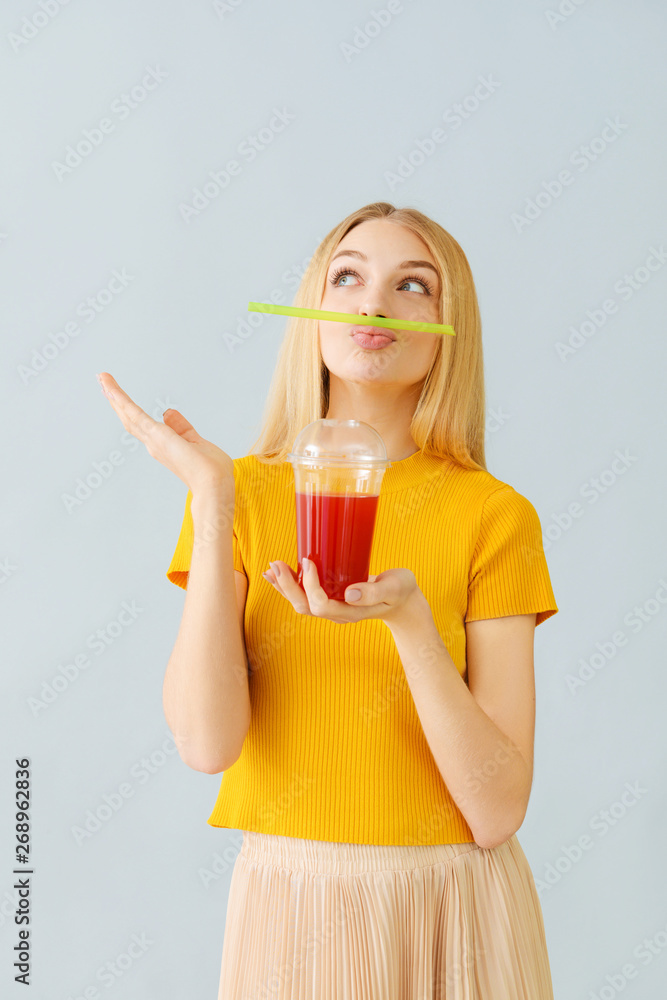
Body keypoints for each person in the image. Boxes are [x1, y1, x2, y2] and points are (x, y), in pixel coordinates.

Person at [97, 201, 559, 999]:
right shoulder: (237, 493)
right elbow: (206, 745)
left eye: (412, 285)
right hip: (290, 906)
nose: (372, 304)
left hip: (452, 905)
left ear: (453, 327)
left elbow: (494, 811)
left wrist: (411, 627)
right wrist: (212, 499)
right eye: (346, 276)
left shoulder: (494, 516)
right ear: (311, 310)